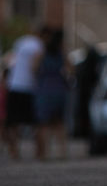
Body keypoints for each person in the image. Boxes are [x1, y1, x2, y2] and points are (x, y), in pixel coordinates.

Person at [2, 25, 44, 161]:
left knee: (12, 122)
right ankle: (39, 152)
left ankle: (14, 152)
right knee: (35, 122)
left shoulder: (20, 42)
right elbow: (34, 67)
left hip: (14, 85)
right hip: (29, 87)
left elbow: (10, 60)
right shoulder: (39, 45)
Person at [32, 29, 71, 161]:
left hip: (45, 89)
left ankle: (45, 152)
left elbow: (34, 69)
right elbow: (71, 69)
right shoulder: (61, 53)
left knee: (44, 123)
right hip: (59, 89)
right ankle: (62, 151)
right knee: (59, 122)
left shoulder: (42, 53)